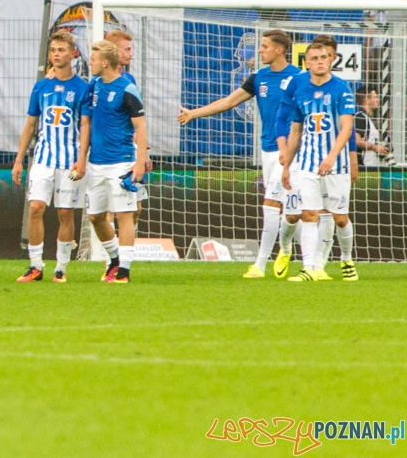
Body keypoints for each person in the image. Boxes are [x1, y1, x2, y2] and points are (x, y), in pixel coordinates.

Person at [178, 30, 301, 279]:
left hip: (291, 150)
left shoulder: (299, 77)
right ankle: (286, 247)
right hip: (267, 150)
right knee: (290, 211)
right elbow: (228, 102)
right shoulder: (258, 77)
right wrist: (193, 113)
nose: (259, 50)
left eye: (265, 46)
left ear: (279, 49)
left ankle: (260, 265)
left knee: (271, 204)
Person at [280, 35, 358, 282]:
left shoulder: (341, 89)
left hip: (337, 165)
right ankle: (309, 268)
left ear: (331, 60)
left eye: (324, 57)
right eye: (314, 58)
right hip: (307, 164)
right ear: (307, 63)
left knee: (340, 218)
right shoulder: (300, 90)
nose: (320, 62)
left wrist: (332, 156)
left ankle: (346, 258)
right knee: (309, 215)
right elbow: (295, 131)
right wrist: (287, 166)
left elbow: (346, 128)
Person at [12, 30, 88, 283]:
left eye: (62, 50)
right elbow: (30, 125)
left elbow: (86, 126)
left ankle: (61, 268)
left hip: (69, 161)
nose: (56, 54)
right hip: (43, 159)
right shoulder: (41, 86)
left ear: (73, 53)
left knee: (65, 214)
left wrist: (82, 159)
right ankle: (35, 266)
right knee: (35, 208)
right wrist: (19, 159)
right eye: (53, 50)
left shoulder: (82, 88)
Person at [75, 37, 148, 284]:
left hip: (121, 161)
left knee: (124, 215)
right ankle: (115, 259)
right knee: (95, 216)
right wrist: (81, 159)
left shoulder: (127, 89)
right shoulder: (94, 85)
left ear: (105, 62)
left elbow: (141, 125)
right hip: (96, 162)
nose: (90, 62)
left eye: (94, 58)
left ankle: (124, 271)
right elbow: (85, 120)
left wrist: (140, 160)